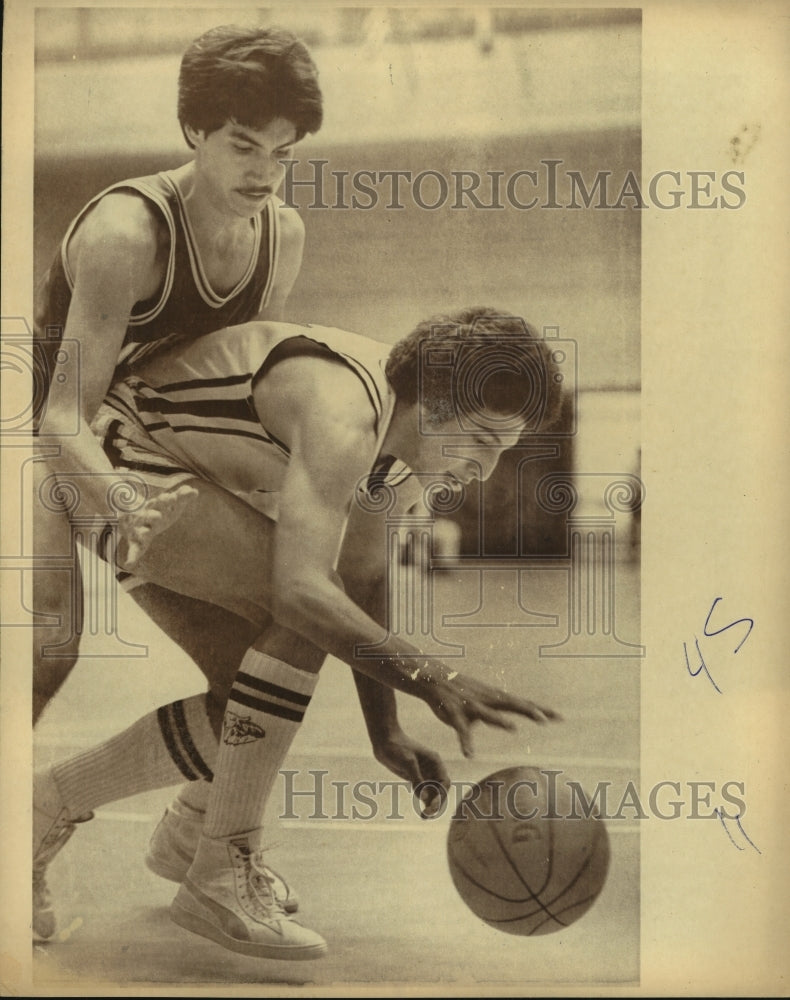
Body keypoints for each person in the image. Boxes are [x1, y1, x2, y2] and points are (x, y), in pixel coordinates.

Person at [33, 307, 564, 961]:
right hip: (118, 469)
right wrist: (437, 678)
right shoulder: (344, 412)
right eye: (483, 441)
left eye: (501, 452)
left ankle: (66, 812)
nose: (484, 470)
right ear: (433, 407)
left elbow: (364, 581)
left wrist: (386, 730)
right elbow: (304, 595)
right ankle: (218, 866)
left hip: (168, 473)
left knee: (247, 699)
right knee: (303, 616)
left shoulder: (394, 452)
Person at [31, 24, 327, 938]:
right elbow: (59, 416)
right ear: (194, 130)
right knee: (49, 647)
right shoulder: (128, 231)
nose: (263, 172)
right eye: (244, 146)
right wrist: (109, 501)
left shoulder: (281, 235)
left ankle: (203, 840)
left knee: (260, 673)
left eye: (282, 153)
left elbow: (232, 388)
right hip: (61, 440)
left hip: (157, 446)